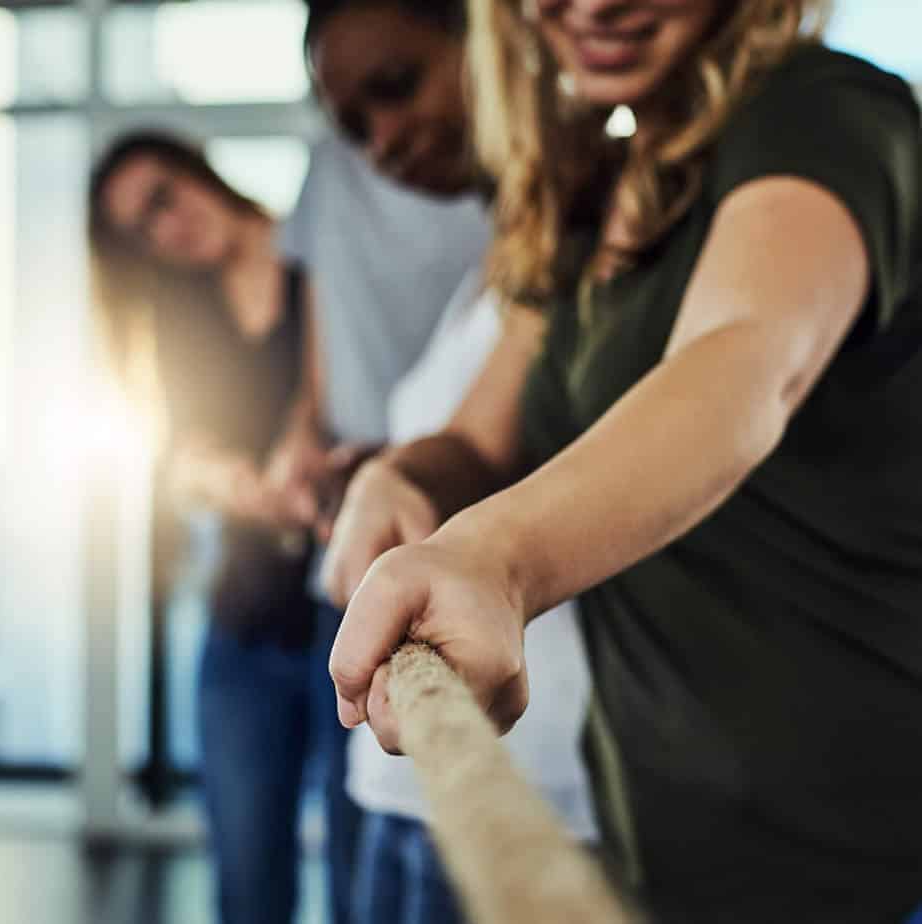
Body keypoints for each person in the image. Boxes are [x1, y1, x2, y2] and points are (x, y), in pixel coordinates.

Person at [325, 1, 922, 921]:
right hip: (655, 831)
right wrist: (398, 478)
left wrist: (499, 560)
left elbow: (743, 359)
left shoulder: (823, 110)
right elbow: (482, 438)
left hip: (850, 850)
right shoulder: (593, 181)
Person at [283, 3, 599, 923]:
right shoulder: (512, 259)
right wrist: (374, 476)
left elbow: (481, 449)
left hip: (530, 786)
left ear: (491, 35)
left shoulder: (602, 229)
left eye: (397, 86)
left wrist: (401, 479)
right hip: (410, 785)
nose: (381, 142)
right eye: (354, 126)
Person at [87, 130, 340, 924]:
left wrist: (306, 440)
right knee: (246, 885)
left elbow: (333, 401)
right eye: (140, 232)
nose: (165, 232)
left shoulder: (318, 250)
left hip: (352, 611)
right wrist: (228, 482)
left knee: (366, 880)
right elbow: (178, 455)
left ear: (194, 170)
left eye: (161, 198)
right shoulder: (180, 310)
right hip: (246, 624)